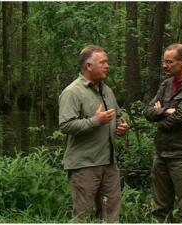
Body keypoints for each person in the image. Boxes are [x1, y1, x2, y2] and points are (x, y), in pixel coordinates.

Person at [59, 45, 129, 222]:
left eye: (107, 62)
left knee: (111, 214)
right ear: (88, 66)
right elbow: (66, 125)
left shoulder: (107, 91)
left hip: (109, 163)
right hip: (84, 165)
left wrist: (121, 126)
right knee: (82, 216)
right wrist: (95, 121)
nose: (107, 66)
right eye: (103, 62)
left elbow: (118, 116)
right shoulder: (72, 92)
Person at [144, 43, 182, 223]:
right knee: (160, 210)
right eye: (164, 62)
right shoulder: (166, 84)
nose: (165, 66)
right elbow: (148, 112)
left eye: (169, 62)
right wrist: (166, 111)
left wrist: (160, 117)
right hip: (161, 154)